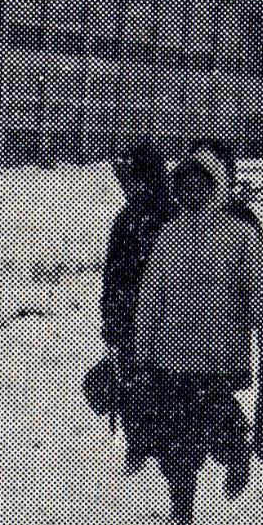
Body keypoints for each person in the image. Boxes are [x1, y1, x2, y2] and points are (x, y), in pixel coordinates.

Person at [133, 150, 263, 525]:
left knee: (217, 417)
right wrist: (142, 349)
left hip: (219, 355)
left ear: (215, 186)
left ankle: (236, 453)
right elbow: (151, 296)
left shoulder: (239, 235)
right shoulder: (169, 235)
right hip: (169, 355)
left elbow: (261, 294)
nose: (192, 191)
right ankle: (182, 504)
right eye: (185, 184)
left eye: (201, 183)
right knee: (175, 432)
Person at [100, 143, 174, 473]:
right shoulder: (126, 220)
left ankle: (170, 448)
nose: (128, 188)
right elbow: (113, 274)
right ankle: (139, 441)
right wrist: (111, 316)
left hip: (166, 319)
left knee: (166, 385)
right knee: (130, 378)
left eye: (132, 180)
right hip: (130, 316)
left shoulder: (172, 218)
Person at [190, 138, 262, 232]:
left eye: (210, 173)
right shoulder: (177, 219)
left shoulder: (243, 221)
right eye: (195, 172)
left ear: (229, 181)